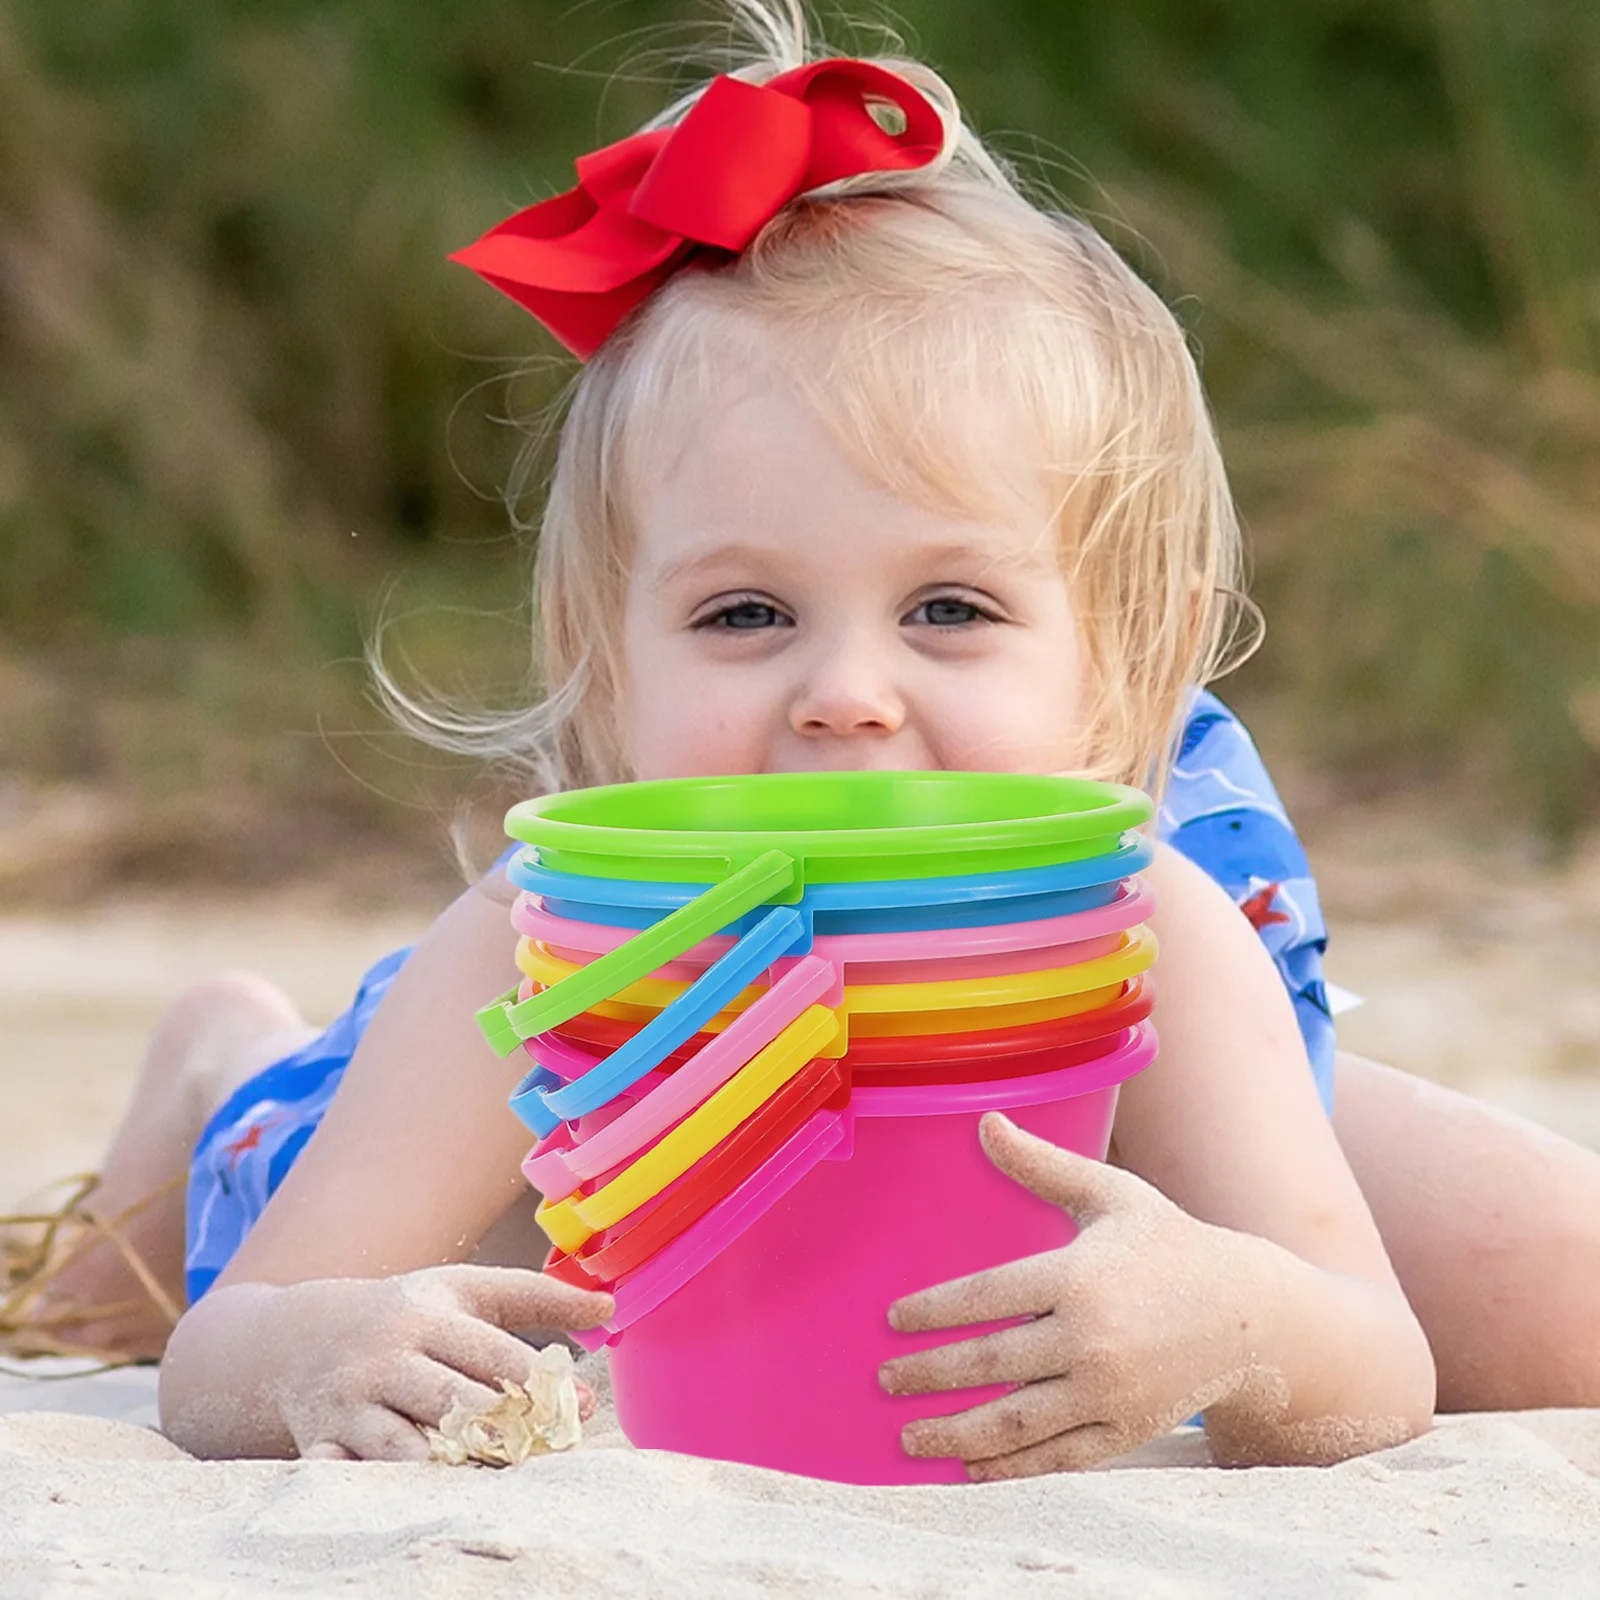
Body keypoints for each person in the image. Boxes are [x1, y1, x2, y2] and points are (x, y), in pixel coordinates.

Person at [18, 3, 1600, 1473]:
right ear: (604, 666)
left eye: (953, 609)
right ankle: (210, 1064)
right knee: (211, 1199)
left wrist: (1241, 1325)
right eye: (746, 616)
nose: (849, 691)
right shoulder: (542, 949)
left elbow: (1368, 1354)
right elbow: (230, 1342)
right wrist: (321, 1352)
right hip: (379, 1165)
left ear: (1130, 669)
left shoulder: (1161, 931)